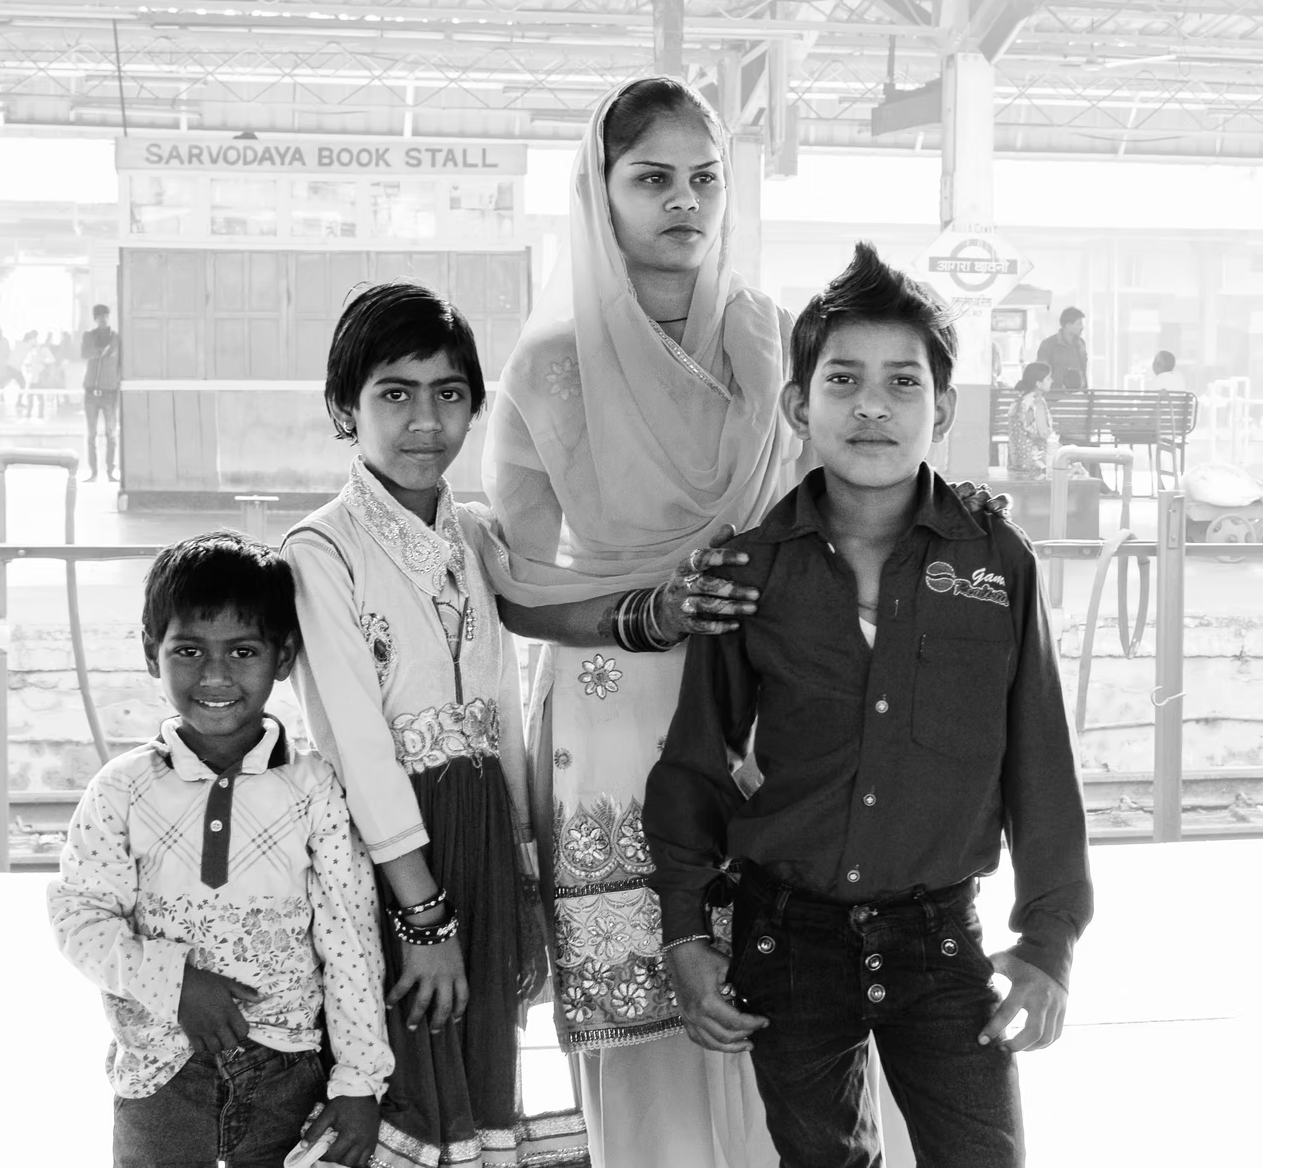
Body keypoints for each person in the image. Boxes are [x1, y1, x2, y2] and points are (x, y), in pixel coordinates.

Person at [643, 241, 1094, 1168]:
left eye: (904, 382)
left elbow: (1042, 765)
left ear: (945, 408)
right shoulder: (748, 572)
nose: (874, 407)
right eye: (843, 380)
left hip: (941, 945)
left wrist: (1049, 944)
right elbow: (694, 764)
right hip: (788, 942)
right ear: (799, 406)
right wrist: (686, 934)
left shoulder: (994, 565)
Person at [479, 76, 801, 1168]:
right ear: (599, 193)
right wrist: (643, 612)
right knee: (647, 1031)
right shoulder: (549, 366)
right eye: (652, 178)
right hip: (616, 713)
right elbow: (519, 584)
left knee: (791, 1014)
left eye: (705, 179)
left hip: (771, 712)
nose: (685, 203)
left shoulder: (773, 345)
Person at [280, 282, 586, 1167]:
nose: (426, 420)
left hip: (488, 840)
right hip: (392, 861)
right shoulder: (321, 551)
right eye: (395, 393)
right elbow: (360, 749)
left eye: (449, 394)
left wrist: (525, 876)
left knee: (485, 1079)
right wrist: (425, 920)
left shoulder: (478, 538)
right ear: (346, 406)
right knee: (404, 1078)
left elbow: (506, 719)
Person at [47, 531, 393, 1168]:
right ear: (152, 654)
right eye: (188, 649)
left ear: (283, 655)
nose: (214, 675)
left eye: (242, 650)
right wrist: (175, 984)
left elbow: (350, 941)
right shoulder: (121, 789)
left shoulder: (314, 788)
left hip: (291, 1076)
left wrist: (359, 1081)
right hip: (157, 1078)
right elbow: (79, 919)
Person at [82, 303, 121, 481]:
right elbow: (85, 353)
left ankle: (110, 472)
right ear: (95, 319)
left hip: (110, 393)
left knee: (111, 434)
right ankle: (93, 472)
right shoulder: (89, 336)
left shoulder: (116, 338)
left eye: (105, 316)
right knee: (91, 435)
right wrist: (103, 352)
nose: (103, 319)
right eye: (99, 316)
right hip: (91, 393)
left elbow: (120, 361)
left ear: (108, 317)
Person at [1006, 361, 1054, 480]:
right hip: (1035, 461)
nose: (1052, 381)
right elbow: (1043, 434)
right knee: (1072, 461)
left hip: (1016, 461)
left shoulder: (1018, 401)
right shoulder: (1037, 402)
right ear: (1038, 383)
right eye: (1048, 378)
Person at [1036, 306, 1087, 393]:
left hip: (1079, 397)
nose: (1082, 327)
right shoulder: (1048, 344)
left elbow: (1083, 371)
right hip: (1056, 398)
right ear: (1068, 325)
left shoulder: (1080, 344)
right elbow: (1041, 374)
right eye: (1079, 324)